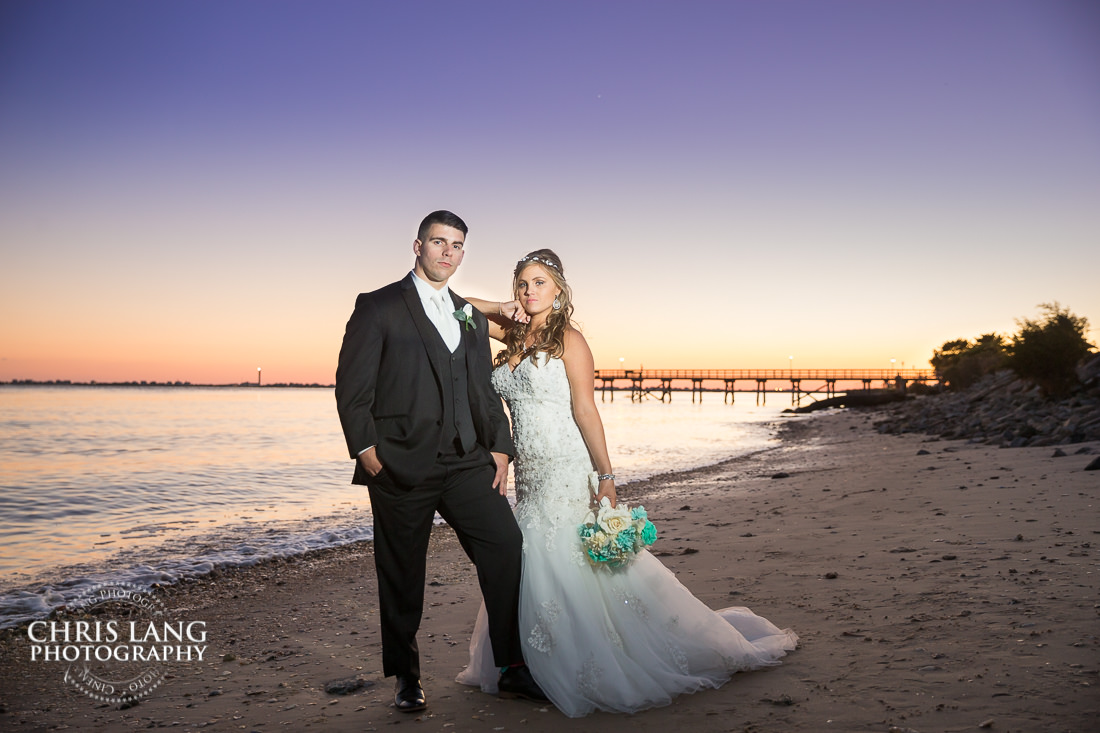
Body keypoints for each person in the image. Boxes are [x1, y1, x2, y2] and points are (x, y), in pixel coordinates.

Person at [457, 249, 798, 717]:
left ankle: (576, 659)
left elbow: (585, 411)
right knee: (529, 553)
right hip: (529, 473)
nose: (529, 292)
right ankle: (526, 660)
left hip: (564, 465)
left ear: (558, 288)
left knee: (564, 554)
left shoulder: (569, 341)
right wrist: (500, 306)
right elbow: (455, 306)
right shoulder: (511, 336)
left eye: (539, 282)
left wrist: (606, 477)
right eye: (522, 284)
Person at [335, 211, 547, 713]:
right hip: (399, 466)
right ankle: (407, 676)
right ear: (418, 246)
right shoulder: (379, 305)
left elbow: (482, 389)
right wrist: (367, 453)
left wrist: (500, 446)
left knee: (505, 545)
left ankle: (513, 666)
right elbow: (352, 386)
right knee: (402, 572)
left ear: (463, 254)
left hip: (467, 462)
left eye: (456, 246)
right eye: (438, 242)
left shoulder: (467, 315)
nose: (447, 252)